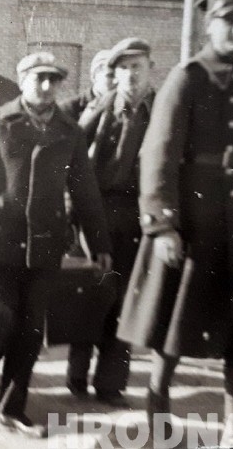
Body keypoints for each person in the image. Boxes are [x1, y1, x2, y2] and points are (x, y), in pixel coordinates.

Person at [116, 0, 233, 447]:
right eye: (229, 21)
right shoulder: (187, 77)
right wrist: (163, 225)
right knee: (177, 322)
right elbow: (159, 155)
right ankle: (157, 405)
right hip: (196, 223)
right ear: (211, 24)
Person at [0, 52, 110, 436]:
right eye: (39, 78)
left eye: (54, 80)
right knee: (0, 322)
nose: (46, 86)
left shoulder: (70, 132)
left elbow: (86, 194)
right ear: (23, 80)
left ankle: (12, 408)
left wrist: (99, 244)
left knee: (31, 330)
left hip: (46, 246)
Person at [66, 37, 156, 408]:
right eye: (123, 68)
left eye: (137, 66)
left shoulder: (162, 110)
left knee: (125, 302)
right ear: (114, 74)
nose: (130, 75)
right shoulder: (100, 108)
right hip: (97, 214)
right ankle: (76, 375)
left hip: (139, 218)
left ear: (151, 69)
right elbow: (70, 156)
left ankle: (111, 385)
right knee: (92, 295)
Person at [61, 48, 114, 121]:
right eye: (110, 76)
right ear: (94, 77)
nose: (116, 81)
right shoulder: (69, 109)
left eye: (119, 76)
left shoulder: (124, 107)